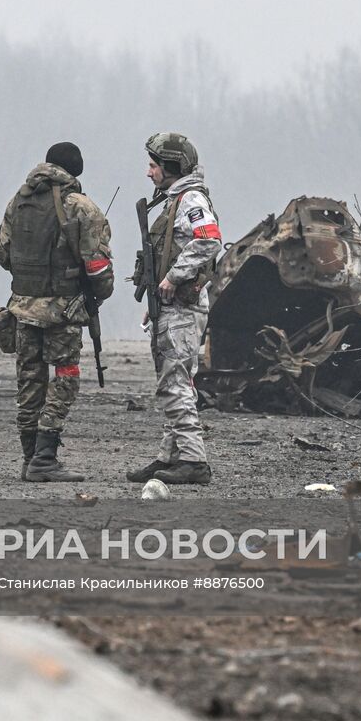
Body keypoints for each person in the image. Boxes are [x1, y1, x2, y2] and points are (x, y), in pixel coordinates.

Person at [0, 142, 113, 482]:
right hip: (62, 311)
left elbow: (1, 252)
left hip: (22, 308)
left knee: (29, 380)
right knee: (66, 377)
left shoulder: (19, 201)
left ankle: (30, 458)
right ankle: (45, 457)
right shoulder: (81, 207)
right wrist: (97, 297)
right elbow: (99, 266)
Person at [127, 132, 221, 486]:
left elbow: (209, 239)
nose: (149, 172)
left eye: (153, 165)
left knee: (175, 383)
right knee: (174, 381)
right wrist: (154, 300)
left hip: (182, 307)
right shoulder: (175, 199)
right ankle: (171, 456)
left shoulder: (190, 199)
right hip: (172, 308)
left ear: (170, 166)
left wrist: (173, 278)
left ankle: (194, 460)